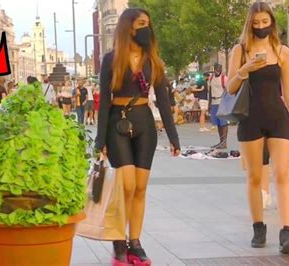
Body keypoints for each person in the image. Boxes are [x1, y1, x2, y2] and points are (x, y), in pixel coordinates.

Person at [94, 8, 180, 265]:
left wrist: (174, 137)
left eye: (148, 24)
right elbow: (104, 103)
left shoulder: (152, 60)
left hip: (145, 123)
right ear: (128, 27)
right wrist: (100, 141)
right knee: (126, 185)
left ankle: (135, 242)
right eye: (141, 23)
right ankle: (118, 239)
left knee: (141, 187)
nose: (147, 28)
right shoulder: (111, 59)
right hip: (117, 123)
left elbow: (164, 102)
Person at [227, 2, 289, 254]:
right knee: (254, 177)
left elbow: (288, 91)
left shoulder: (282, 50)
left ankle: (287, 231)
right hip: (250, 118)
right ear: (250, 24)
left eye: (264, 22)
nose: (260, 27)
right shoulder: (240, 49)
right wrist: (244, 69)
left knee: (281, 175)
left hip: (278, 117)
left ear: (272, 22)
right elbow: (230, 88)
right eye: (256, 23)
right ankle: (258, 226)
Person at [259, 63, 289, 209]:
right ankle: (263, 193)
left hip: (283, 116)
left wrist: (281, 98)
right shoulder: (256, 61)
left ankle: (282, 195)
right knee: (262, 156)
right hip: (259, 115)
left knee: (282, 160)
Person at [209, 64, 229, 149]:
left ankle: (224, 142)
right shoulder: (211, 78)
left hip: (222, 101)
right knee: (218, 123)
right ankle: (220, 142)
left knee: (223, 123)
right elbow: (210, 91)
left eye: (219, 69)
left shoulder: (224, 78)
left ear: (221, 69)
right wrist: (209, 103)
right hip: (214, 102)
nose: (217, 70)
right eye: (216, 69)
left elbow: (229, 90)